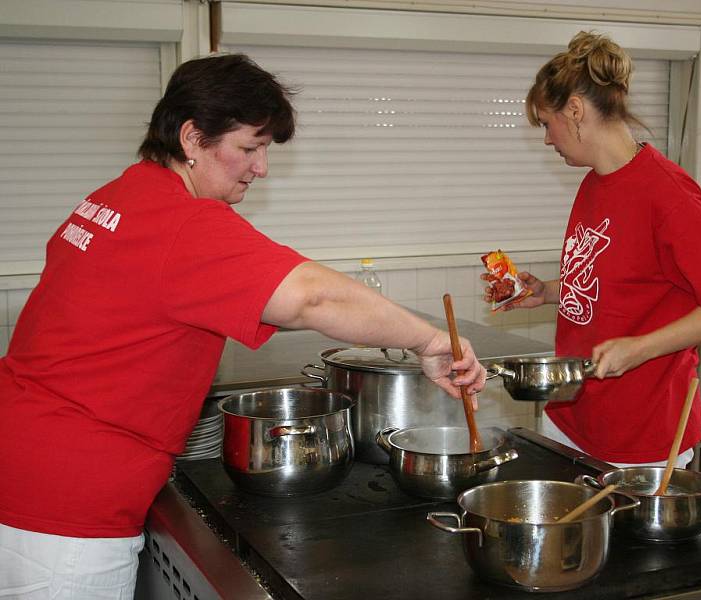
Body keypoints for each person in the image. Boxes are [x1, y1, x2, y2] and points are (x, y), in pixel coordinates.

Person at [0, 53, 486, 599]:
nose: (261, 167)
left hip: (23, 460)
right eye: (249, 148)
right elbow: (311, 298)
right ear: (192, 138)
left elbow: (258, 301)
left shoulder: (116, 199)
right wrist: (427, 339)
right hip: (68, 504)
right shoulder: (183, 224)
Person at [484, 31, 701, 469]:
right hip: (574, 414)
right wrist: (551, 291)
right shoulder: (594, 183)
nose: (547, 139)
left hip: (641, 433)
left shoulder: (667, 194)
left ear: (575, 111)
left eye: (547, 123)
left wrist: (640, 348)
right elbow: (621, 280)